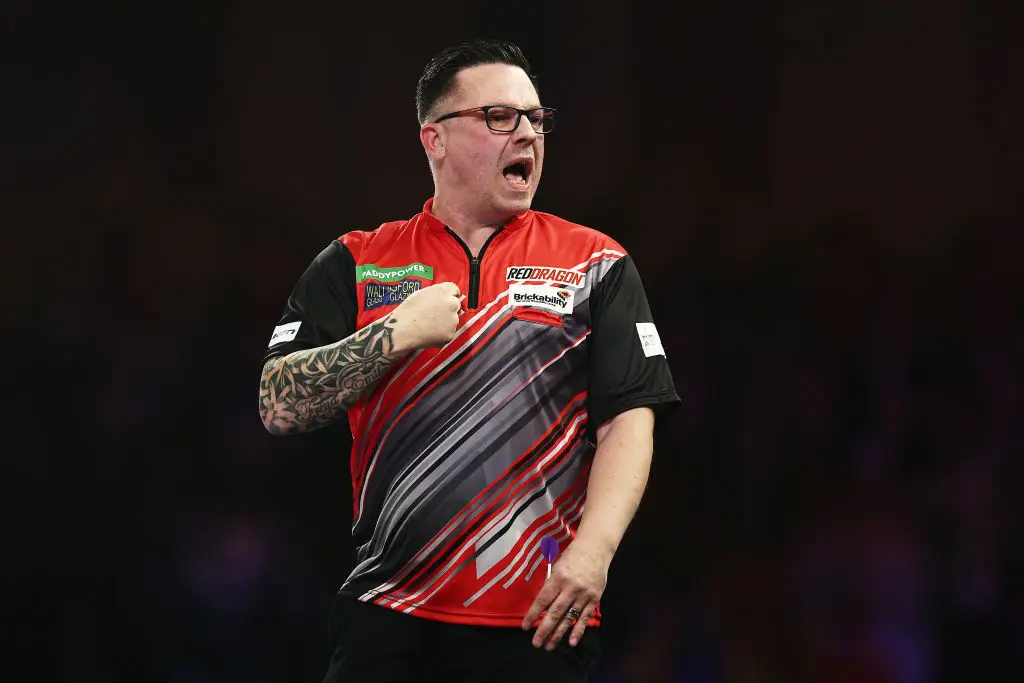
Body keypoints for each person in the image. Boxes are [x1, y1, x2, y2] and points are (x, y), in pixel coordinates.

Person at [258, 38, 680, 683]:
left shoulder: (597, 263)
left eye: (536, 119)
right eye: (498, 117)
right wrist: (395, 332)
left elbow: (629, 418)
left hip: (539, 616)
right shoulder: (357, 260)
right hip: (389, 612)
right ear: (435, 140)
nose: (527, 135)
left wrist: (594, 553)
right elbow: (278, 406)